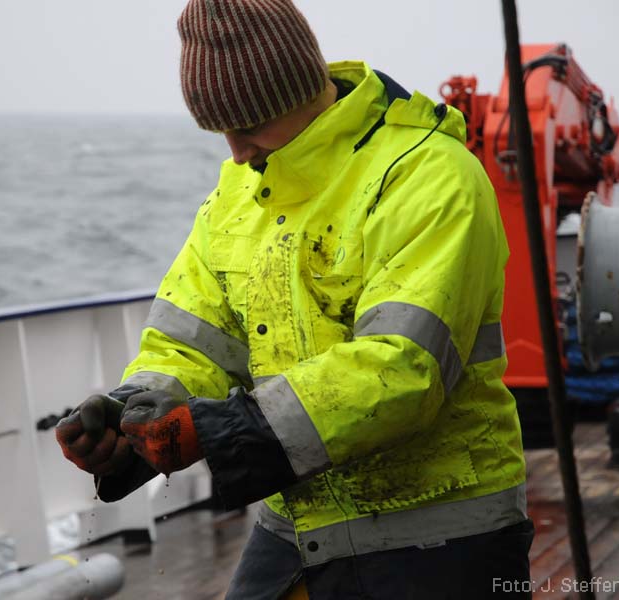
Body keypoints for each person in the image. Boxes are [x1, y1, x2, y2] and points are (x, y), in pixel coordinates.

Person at [56, 0, 534, 597]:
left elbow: (403, 369)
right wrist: (133, 417)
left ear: (298, 93)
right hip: (298, 531)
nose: (235, 152)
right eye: (221, 132)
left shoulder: (428, 175)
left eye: (248, 126)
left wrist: (225, 430)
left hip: (441, 532)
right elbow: (191, 342)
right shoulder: (239, 193)